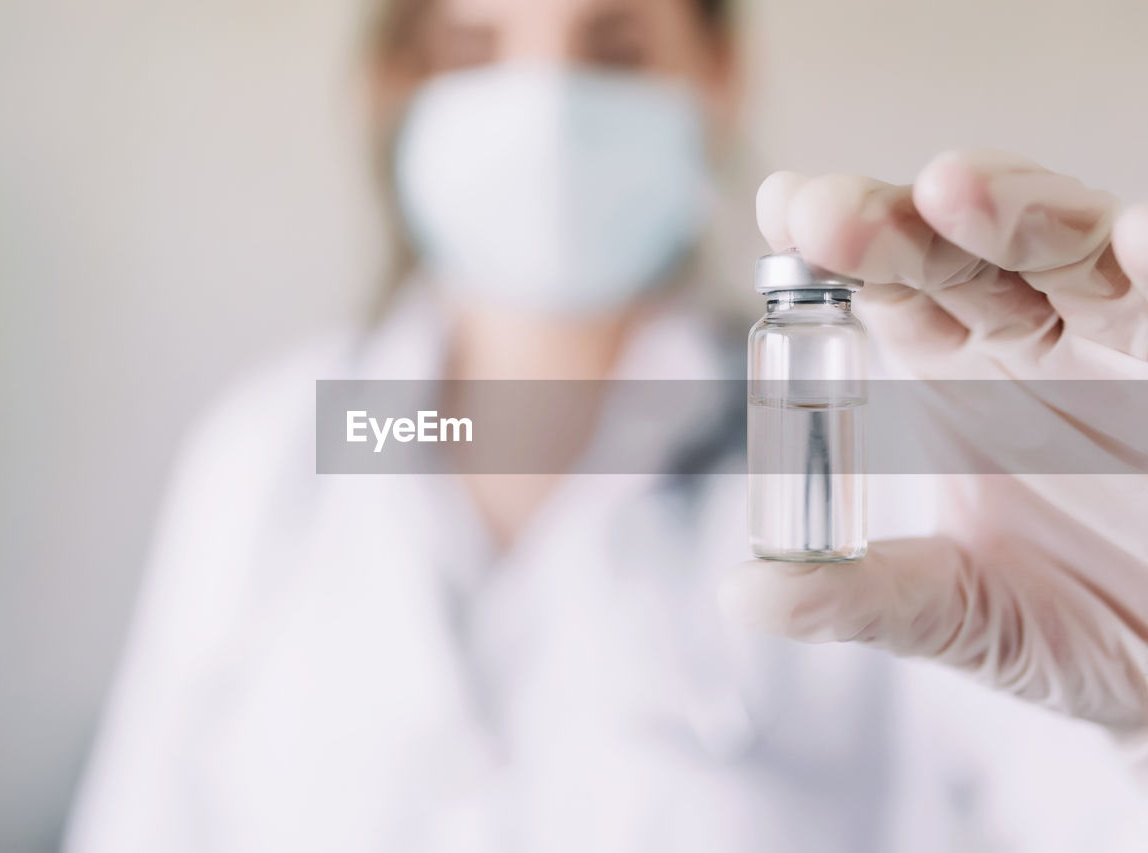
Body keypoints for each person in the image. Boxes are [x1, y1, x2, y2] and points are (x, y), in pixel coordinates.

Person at [66, 0, 1148, 850]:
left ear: (717, 77)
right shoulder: (266, 456)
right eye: (474, 46)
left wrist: (1140, 719)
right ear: (392, 86)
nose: (542, 110)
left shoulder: (867, 437)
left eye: (614, 47)